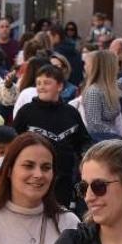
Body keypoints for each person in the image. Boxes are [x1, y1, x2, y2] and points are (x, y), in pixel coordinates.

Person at [13, 64, 93, 208]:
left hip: (63, 181)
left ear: (60, 86)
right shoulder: (26, 112)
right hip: (34, 180)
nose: (42, 87)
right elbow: (13, 143)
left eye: (47, 83)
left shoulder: (71, 113)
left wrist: (85, 157)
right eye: (38, 83)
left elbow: (83, 141)